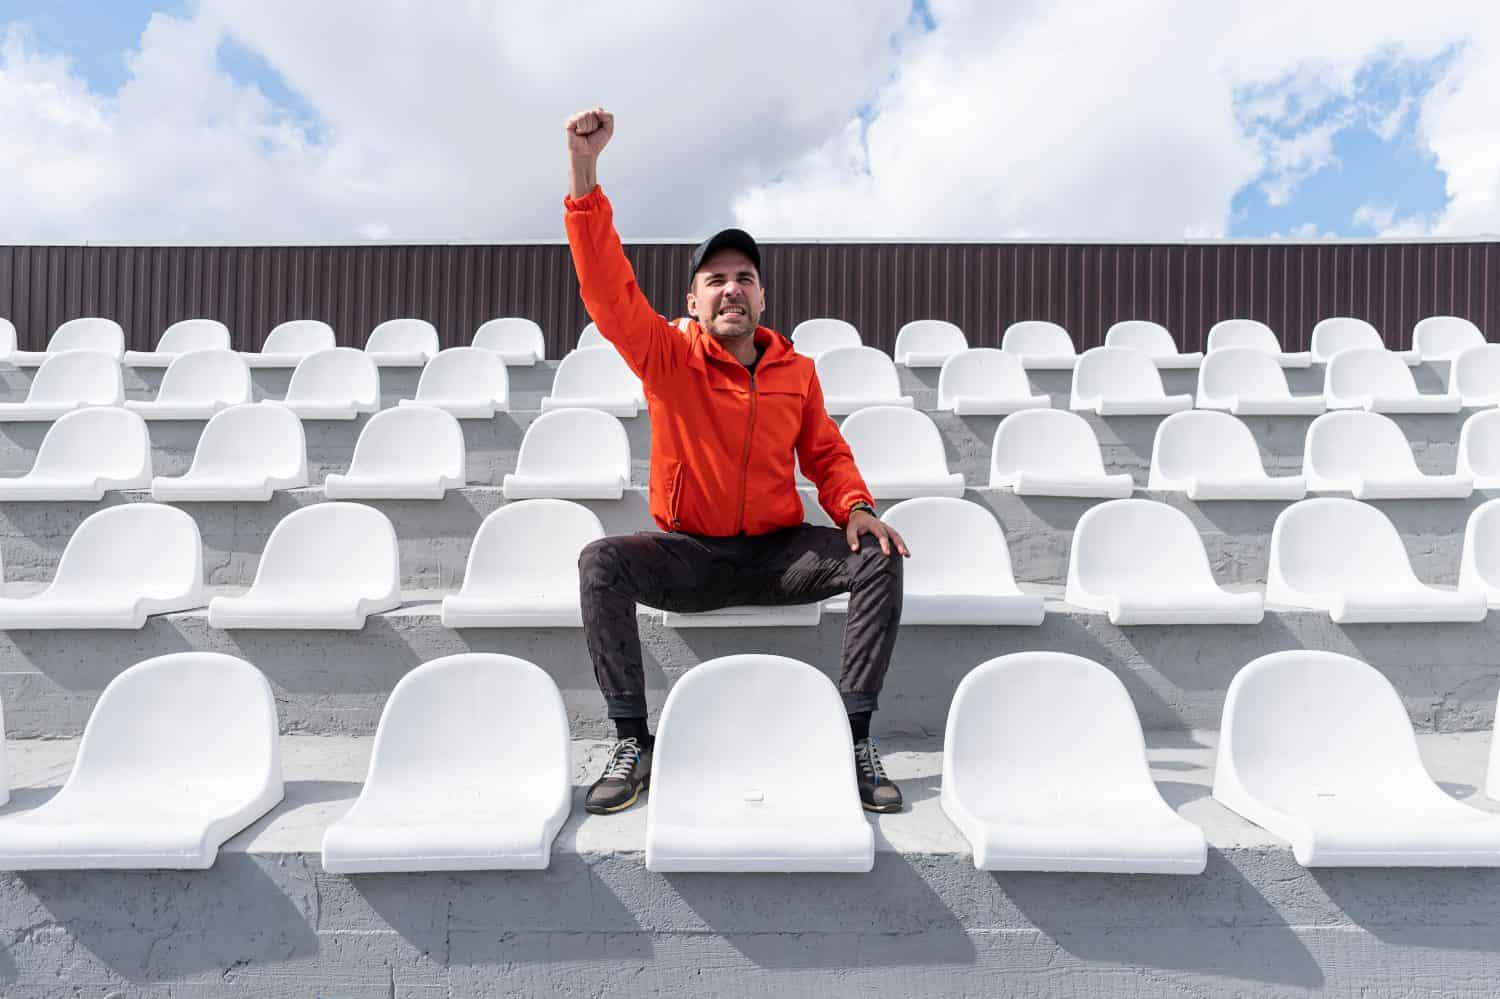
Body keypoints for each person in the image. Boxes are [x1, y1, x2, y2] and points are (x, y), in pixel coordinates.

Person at [563, 106, 910, 816]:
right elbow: (607, 292)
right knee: (601, 561)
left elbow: (826, 453)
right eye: (714, 279)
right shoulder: (666, 355)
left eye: (744, 276)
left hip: (777, 556)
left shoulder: (796, 370)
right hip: (689, 554)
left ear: (761, 295)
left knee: (879, 552)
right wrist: (585, 174)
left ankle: (853, 737)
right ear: (692, 300)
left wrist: (857, 507)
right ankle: (635, 740)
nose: (730, 288)